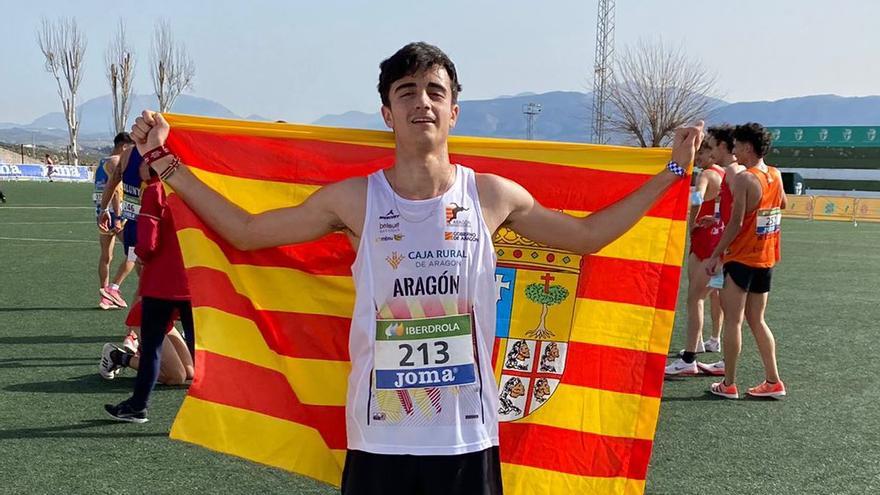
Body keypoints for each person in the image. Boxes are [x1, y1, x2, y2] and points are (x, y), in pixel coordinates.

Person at [128, 42, 702, 493]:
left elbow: (587, 236)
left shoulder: (492, 197)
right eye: (406, 91)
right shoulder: (354, 200)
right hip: (379, 439)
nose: (421, 101)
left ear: (454, 109)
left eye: (434, 90)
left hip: (466, 439)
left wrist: (673, 174)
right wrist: (163, 161)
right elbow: (247, 233)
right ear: (387, 112)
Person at [104, 167, 194, 423]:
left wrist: (141, 254)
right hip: (193, 282)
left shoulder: (155, 190)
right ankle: (215, 412)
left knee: (153, 350)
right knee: (200, 354)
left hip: (161, 285)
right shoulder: (194, 189)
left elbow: (148, 244)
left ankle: (138, 406)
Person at [705, 123, 786, 400]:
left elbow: (736, 223)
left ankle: (729, 383)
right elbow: (782, 204)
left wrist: (716, 254)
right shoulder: (775, 174)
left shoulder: (744, 179)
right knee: (757, 320)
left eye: (738, 145)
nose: (735, 150)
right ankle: (773, 380)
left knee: (733, 322)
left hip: (741, 258)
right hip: (766, 258)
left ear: (748, 148)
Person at [665, 142, 724, 376]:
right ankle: (710, 340)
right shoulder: (725, 173)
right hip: (718, 241)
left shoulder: (707, 174)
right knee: (715, 292)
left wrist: (692, 223)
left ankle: (690, 358)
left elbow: (697, 198)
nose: (697, 157)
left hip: (704, 243)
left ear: (712, 152)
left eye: (702, 152)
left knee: (694, 298)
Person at [695, 125, 746, 377]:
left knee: (728, 307)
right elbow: (731, 212)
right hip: (726, 246)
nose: (709, 151)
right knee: (722, 301)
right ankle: (722, 355)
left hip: (731, 251)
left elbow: (742, 215)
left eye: (713, 145)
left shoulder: (735, 174)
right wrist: (715, 220)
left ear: (724, 147)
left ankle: (726, 368)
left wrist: (719, 252)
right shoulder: (727, 174)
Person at [99, 301, 194, 386]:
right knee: (176, 377)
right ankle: (117, 356)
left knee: (190, 373)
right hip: (146, 320)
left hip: (165, 321)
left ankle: (148, 355)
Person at [96, 133, 136, 309]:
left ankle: (105, 296)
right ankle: (113, 289)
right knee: (134, 252)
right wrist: (119, 217)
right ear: (124, 147)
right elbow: (115, 190)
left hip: (102, 214)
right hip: (115, 216)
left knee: (106, 256)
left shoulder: (101, 162)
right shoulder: (115, 161)